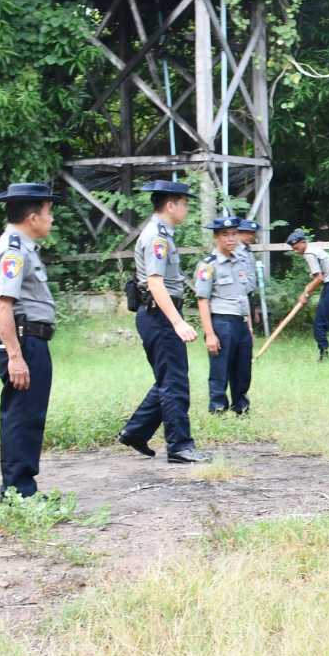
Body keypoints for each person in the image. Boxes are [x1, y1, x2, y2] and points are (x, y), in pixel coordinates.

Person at [119, 179, 209, 464]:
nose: (187, 209)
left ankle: (135, 432)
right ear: (171, 205)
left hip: (158, 314)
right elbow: (155, 283)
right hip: (159, 315)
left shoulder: (162, 234)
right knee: (174, 383)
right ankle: (180, 447)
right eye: (184, 204)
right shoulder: (157, 237)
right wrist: (178, 323)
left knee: (168, 378)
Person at [0, 182, 61, 498]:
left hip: (30, 341)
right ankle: (19, 492)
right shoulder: (13, 251)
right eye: (49, 212)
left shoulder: (23, 248)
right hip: (23, 342)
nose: (51, 219)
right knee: (22, 415)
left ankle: (22, 488)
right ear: (33, 217)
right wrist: (15, 356)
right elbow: (2, 306)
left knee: (30, 415)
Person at [194, 216, 255, 415]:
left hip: (240, 322)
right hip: (221, 322)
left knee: (243, 369)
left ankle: (241, 407)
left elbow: (243, 295)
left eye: (234, 234)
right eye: (225, 235)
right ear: (216, 237)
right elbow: (203, 300)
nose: (231, 238)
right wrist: (210, 334)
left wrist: (249, 326)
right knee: (220, 369)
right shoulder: (208, 265)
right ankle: (218, 408)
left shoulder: (240, 261)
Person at [288, 230, 329, 361]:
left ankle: (324, 355)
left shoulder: (309, 253)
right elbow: (321, 277)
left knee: (319, 322)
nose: (296, 251)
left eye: (297, 248)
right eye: (293, 249)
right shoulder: (314, 250)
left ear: (303, 242)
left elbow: (319, 278)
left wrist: (305, 293)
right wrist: (308, 291)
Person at [235, 217, 266, 330]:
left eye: (252, 233)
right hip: (238, 296)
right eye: (247, 233)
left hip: (248, 294)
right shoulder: (235, 250)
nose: (250, 236)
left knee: (247, 329)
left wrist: (254, 304)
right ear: (239, 233)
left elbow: (251, 277)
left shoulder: (248, 251)